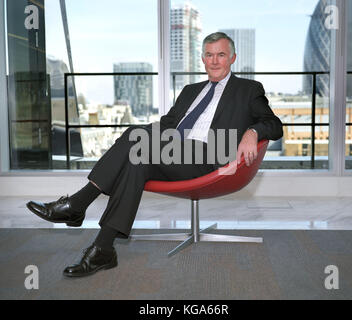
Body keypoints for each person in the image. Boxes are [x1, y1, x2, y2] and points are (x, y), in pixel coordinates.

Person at [26, 32, 283, 278]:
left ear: (232, 58)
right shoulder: (190, 91)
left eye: (221, 55)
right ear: (202, 59)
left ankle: (77, 204)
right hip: (174, 153)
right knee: (137, 159)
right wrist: (144, 135)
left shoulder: (248, 89)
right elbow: (168, 124)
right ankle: (103, 249)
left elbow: (274, 124)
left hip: (211, 155)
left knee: (135, 137)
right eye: (209, 55)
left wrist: (252, 130)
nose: (214, 61)